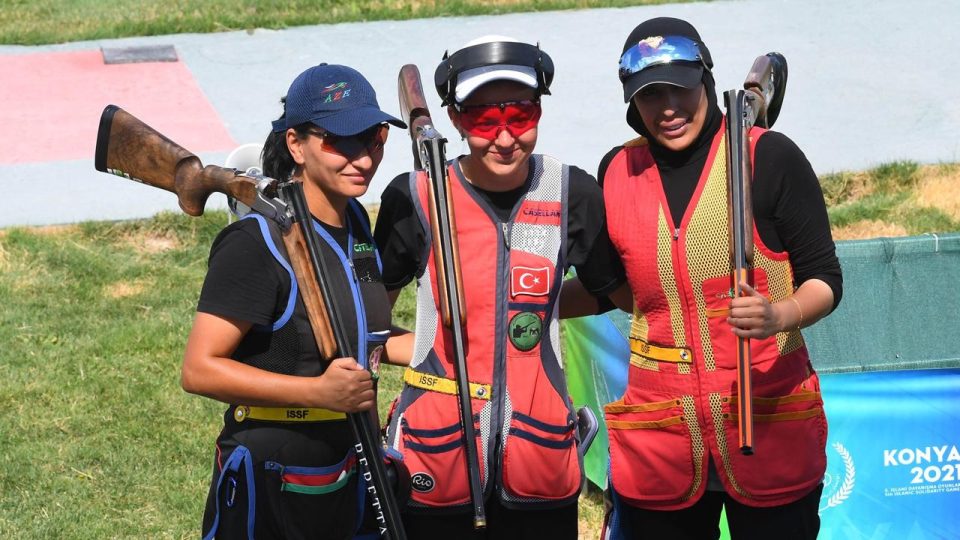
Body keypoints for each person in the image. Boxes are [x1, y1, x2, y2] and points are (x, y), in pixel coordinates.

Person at [597, 17, 843, 540]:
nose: (667, 108)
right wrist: (528, 303)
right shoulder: (617, 170)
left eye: (680, 89)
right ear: (630, 104)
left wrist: (780, 313)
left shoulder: (768, 156)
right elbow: (621, 291)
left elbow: (824, 278)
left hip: (768, 419)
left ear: (705, 80)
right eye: (649, 95)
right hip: (659, 434)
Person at [373, 35, 628, 539]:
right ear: (455, 118)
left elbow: (612, 291)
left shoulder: (570, 190)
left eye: (521, 116)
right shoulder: (416, 196)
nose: (505, 137)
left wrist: (536, 311)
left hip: (539, 456)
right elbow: (370, 320)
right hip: (436, 454)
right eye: (484, 121)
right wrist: (424, 347)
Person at [180, 63, 410, 539]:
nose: (363, 158)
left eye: (374, 138)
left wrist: (455, 347)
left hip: (346, 464)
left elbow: (367, 336)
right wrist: (318, 394)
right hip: (271, 477)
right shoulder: (254, 242)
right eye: (339, 141)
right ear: (295, 144)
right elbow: (199, 369)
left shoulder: (357, 227)